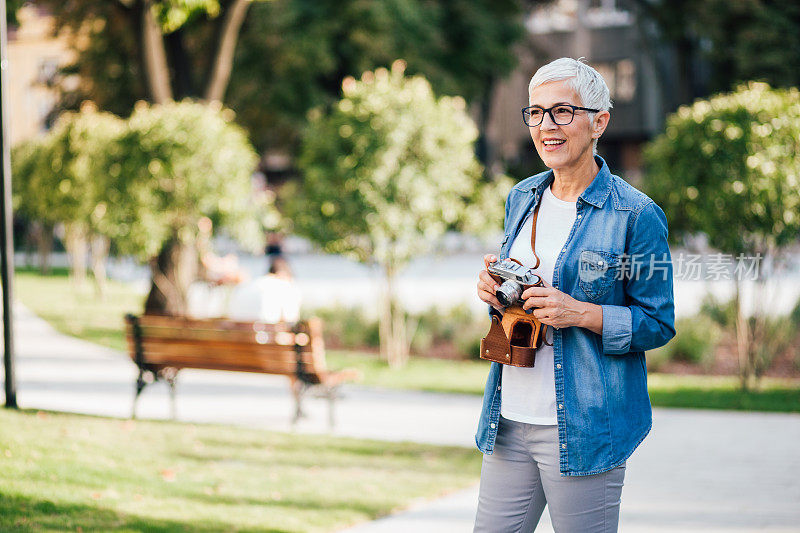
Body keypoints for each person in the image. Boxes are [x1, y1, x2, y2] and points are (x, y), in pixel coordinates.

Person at [473, 57, 675, 532]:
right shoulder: (521, 197)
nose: (546, 126)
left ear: (599, 121)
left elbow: (658, 322)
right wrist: (494, 293)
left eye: (562, 111)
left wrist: (580, 312)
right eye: (536, 112)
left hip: (584, 428)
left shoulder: (636, 215)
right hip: (510, 416)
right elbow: (519, 291)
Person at [226, 255, 301, 323]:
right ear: (283, 274)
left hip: (237, 334)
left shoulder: (250, 285)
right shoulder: (283, 285)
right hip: (265, 334)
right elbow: (290, 319)